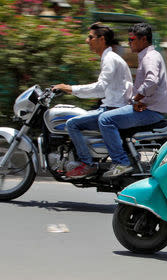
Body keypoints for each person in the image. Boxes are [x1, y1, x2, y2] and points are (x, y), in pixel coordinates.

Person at [53, 22, 133, 179]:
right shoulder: (109, 57)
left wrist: (69, 88)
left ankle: (87, 164)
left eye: (90, 37)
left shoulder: (110, 59)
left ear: (101, 39)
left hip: (113, 109)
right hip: (111, 106)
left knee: (72, 123)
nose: (87, 40)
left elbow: (100, 88)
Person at [98, 23, 167, 178]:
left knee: (105, 119)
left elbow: (151, 82)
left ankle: (121, 162)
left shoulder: (150, 57)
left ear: (143, 39)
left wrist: (136, 99)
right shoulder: (147, 56)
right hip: (150, 108)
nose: (129, 43)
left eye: (131, 39)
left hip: (152, 112)